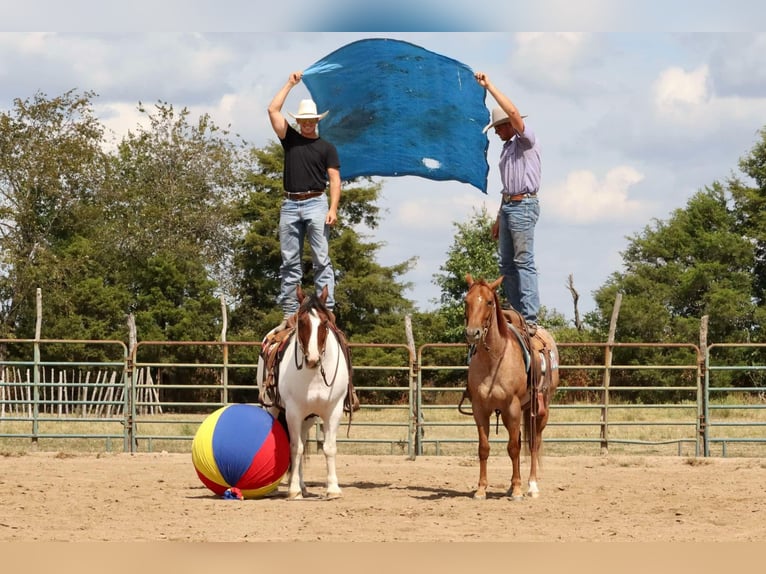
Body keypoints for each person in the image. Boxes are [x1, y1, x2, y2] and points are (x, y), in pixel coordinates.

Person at [268, 71, 341, 324]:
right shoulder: (290, 139)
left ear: (316, 121)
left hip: (316, 203)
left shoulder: (327, 148)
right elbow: (272, 110)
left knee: (321, 259)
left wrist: (332, 208)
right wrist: (290, 83)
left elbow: (334, 179)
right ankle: (290, 312)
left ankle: (327, 309)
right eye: (304, 120)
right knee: (289, 262)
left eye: (311, 120)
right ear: (299, 121)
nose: (307, 123)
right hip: (290, 203)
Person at [475, 71, 541, 336]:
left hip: (524, 205)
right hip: (510, 206)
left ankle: (529, 317)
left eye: (500, 127)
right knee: (506, 264)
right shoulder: (506, 149)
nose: (498, 132)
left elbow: (512, 111)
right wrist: (498, 217)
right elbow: (507, 188)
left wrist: (489, 85)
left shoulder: (526, 140)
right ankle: (514, 311)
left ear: (509, 125)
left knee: (524, 261)